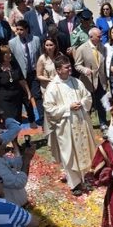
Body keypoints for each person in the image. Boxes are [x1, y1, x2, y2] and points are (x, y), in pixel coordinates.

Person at [45, 55, 98, 196]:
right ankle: (74, 183)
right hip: (65, 126)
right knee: (69, 154)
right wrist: (69, 107)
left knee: (82, 150)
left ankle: (82, 177)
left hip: (80, 122)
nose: (70, 69)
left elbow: (87, 96)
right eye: (67, 67)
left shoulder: (75, 82)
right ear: (58, 70)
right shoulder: (52, 87)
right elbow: (49, 108)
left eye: (70, 66)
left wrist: (82, 102)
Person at [0, 133, 35, 207]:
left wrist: (25, 155)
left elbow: (15, 164)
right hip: (12, 209)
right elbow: (18, 183)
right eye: (0, 143)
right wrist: (26, 160)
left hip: (17, 205)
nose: (4, 145)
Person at [0, 41, 37, 127]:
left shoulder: (14, 65)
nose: (9, 55)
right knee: (9, 120)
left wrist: (28, 93)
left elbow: (21, 80)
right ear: (1, 55)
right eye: (6, 54)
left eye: (10, 53)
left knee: (17, 120)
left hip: (16, 97)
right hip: (4, 99)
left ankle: (15, 140)